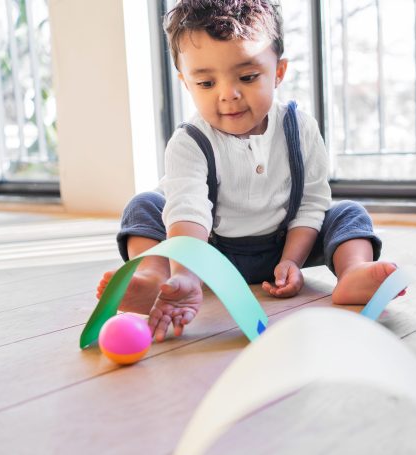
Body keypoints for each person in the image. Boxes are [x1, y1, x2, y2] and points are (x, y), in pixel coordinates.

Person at [96, 0, 396, 342]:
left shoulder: (300, 128)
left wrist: (292, 261)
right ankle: (154, 276)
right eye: (207, 84)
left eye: (248, 77)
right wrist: (188, 274)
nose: (229, 95)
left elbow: (312, 202)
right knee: (145, 206)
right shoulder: (189, 140)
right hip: (211, 255)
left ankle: (352, 272)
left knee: (348, 214)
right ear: (185, 82)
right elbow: (187, 212)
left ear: (278, 72)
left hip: (283, 244)